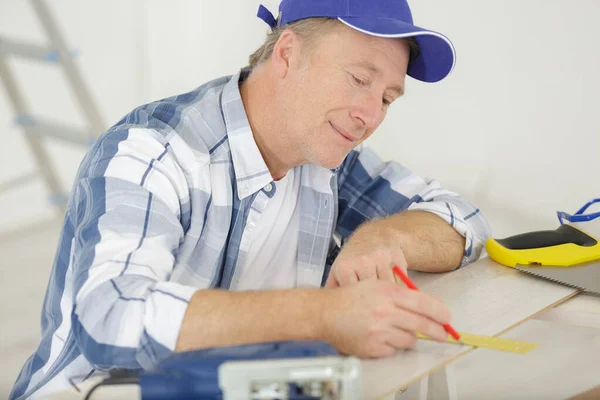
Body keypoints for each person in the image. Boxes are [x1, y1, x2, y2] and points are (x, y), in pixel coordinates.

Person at [10, 0, 491, 398]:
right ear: (286, 54)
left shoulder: (327, 161)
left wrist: (378, 239)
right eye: (359, 79)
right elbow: (111, 320)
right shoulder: (154, 150)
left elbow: (461, 218)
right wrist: (323, 316)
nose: (370, 114)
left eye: (387, 98)